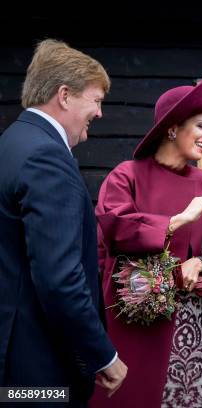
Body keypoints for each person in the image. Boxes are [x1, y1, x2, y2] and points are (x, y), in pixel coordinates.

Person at [90, 74, 202, 408]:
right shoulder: (125, 175)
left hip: (196, 333)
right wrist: (177, 221)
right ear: (172, 128)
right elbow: (116, 229)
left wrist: (201, 262)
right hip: (134, 328)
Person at [0, 39, 127, 405]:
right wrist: (102, 354)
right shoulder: (46, 158)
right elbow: (59, 279)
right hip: (37, 370)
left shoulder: (12, 142)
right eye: (96, 100)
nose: (100, 113)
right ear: (65, 95)